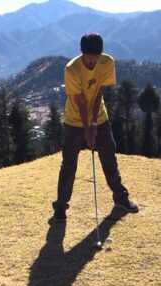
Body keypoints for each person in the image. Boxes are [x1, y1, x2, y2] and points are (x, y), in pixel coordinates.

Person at [52, 33, 138, 222]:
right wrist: (87, 131)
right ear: (82, 51)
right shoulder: (71, 69)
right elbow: (81, 101)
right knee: (68, 165)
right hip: (74, 121)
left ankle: (121, 198)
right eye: (90, 56)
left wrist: (93, 124)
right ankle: (60, 207)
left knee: (109, 159)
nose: (93, 60)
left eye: (96, 56)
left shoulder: (107, 62)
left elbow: (99, 91)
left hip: (100, 117)